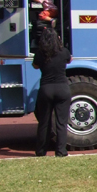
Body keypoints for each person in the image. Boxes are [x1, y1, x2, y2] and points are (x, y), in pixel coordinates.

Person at [32, 26, 72, 157]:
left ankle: (41, 151)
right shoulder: (64, 51)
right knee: (61, 122)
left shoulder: (40, 54)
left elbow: (35, 66)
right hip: (62, 88)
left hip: (46, 88)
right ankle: (61, 151)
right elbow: (69, 60)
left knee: (44, 122)